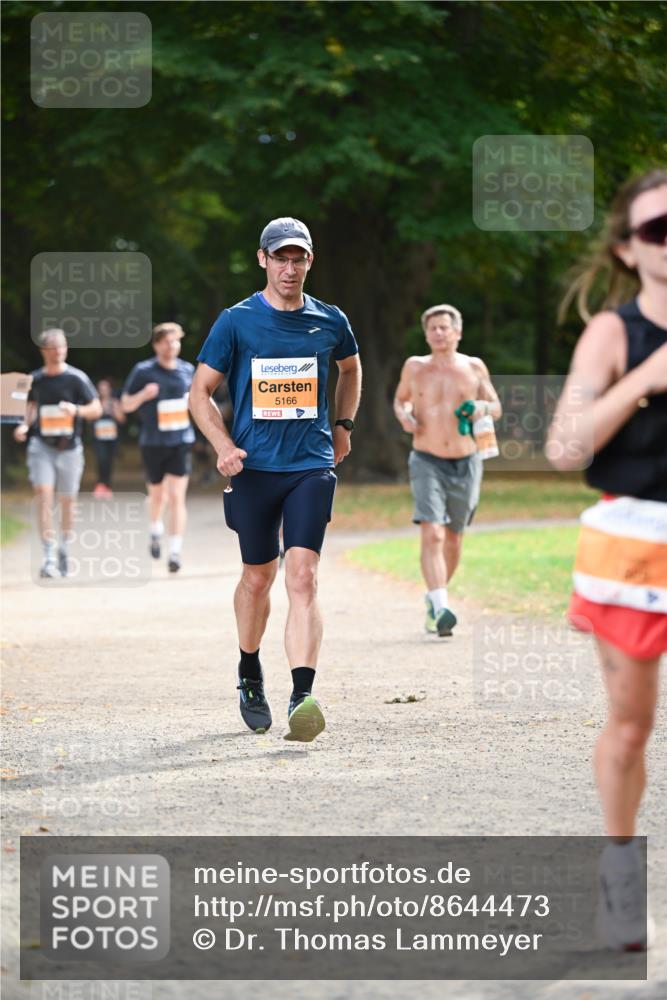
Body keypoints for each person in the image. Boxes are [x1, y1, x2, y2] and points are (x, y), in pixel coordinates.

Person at [547, 169, 667, 951]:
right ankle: (620, 883)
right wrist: (646, 380)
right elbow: (563, 447)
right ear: (629, 250)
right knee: (630, 728)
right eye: (658, 229)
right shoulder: (613, 333)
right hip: (635, 546)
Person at [189, 217, 362, 742]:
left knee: (303, 577)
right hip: (254, 469)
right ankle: (248, 670)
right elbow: (200, 393)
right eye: (280, 258)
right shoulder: (236, 321)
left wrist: (344, 426)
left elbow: (351, 370)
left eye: (299, 258)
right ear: (263, 260)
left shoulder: (331, 321)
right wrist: (223, 447)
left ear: (311, 261)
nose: (290, 268)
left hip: (310, 464)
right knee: (258, 579)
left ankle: (302, 695)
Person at [393, 304, 501, 636]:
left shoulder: (473, 367)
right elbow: (400, 400)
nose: (439, 333)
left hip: (467, 460)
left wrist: (481, 406)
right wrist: (405, 414)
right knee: (433, 532)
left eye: (444, 327)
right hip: (426, 459)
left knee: (453, 538)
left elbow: (495, 407)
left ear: (457, 332)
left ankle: (434, 599)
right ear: (426, 334)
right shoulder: (415, 367)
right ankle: (442, 608)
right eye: (433, 328)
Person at [13, 328, 102, 578]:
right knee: (43, 495)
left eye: (62, 347)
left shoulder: (76, 378)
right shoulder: (36, 379)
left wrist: (75, 410)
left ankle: (65, 548)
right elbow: (31, 407)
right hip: (42, 446)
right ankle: (48, 553)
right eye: (53, 348)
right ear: (44, 351)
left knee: (67, 500)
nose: (58, 352)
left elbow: (96, 407)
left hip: (69, 449)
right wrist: (24, 425)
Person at [121, 322, 195, 573]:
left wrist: (192, 402)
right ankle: (155, 528)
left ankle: (175, 551)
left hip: (181, 440)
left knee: (176, 496)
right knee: (157, 496)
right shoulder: (143, 371)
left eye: (176, 340)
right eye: (166, 341)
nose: (172, 345)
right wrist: (143, 395)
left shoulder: (187, 370)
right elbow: (126, 405)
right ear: (156, 344)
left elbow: (199, 401)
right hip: (153, 441)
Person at [91, 377, 125, 498]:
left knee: (109, 462)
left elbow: (122, 419)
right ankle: (100, 483)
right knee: (101, 460)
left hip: (111, 438)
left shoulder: (114, 402)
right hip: (98, 438)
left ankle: (107, 485)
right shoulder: (95, 403)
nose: (103, 391)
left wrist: (114, 409)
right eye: (101, 388)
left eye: (105, 388)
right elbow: (89, 419)